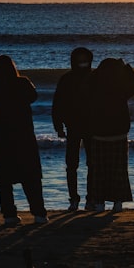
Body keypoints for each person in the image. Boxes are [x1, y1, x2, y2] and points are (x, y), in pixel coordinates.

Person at [0, 55, 48, 225]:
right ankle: (39, 213)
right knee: (31, 176)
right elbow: (33, 96)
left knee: (4, 178)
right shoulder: (23, 83)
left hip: (2, 135)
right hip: (24, 134)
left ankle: (9, 215)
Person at [88, 57, 134, 213]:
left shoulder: (94, 89)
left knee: (99, 170)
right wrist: (126, 68)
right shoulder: (120, 90)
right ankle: (118, 203)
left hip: (99, 134)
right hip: (118, 133)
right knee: (118, 170)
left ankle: (99, 203)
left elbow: (87, 84)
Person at [52, 46, 95, 211]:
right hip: (73, 126)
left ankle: (91, 198)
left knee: (93, 164)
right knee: (72, 164)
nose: (82, 63)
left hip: (92, 126)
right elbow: (58, 104)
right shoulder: (67, 79)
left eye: (85, 59)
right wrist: (59, 126)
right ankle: (74, 199)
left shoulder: (94, 77)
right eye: (80, 59)